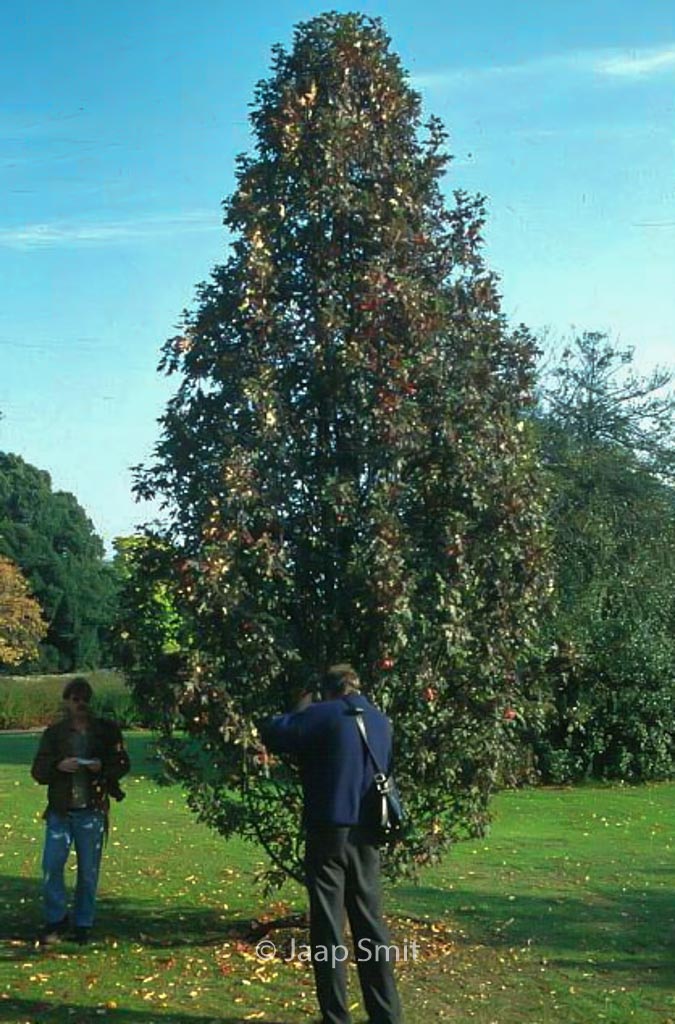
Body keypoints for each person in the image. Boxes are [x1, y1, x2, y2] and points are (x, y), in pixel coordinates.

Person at [260, 663, 403, 1024]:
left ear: (327, 689)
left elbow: (275, 733)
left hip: (329, 830)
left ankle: (336, 1015)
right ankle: (386, 1014)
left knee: (328, 929)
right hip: (369, 832)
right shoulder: (381, 721)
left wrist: (301, 703)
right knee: (370, 924)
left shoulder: (322, 715)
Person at [31, 676, 130, 946]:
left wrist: (103, 767)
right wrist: (58, 766)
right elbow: (38, 771)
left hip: (92, 809)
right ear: (67, 701)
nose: (81, 703)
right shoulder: (55, 733)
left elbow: (122, 763)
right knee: (51, 866)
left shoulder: (106, 731)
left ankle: (83, 924)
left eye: (85, 698)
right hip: (61, 810)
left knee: (88, 871)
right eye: (76, 699)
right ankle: (56, 920)